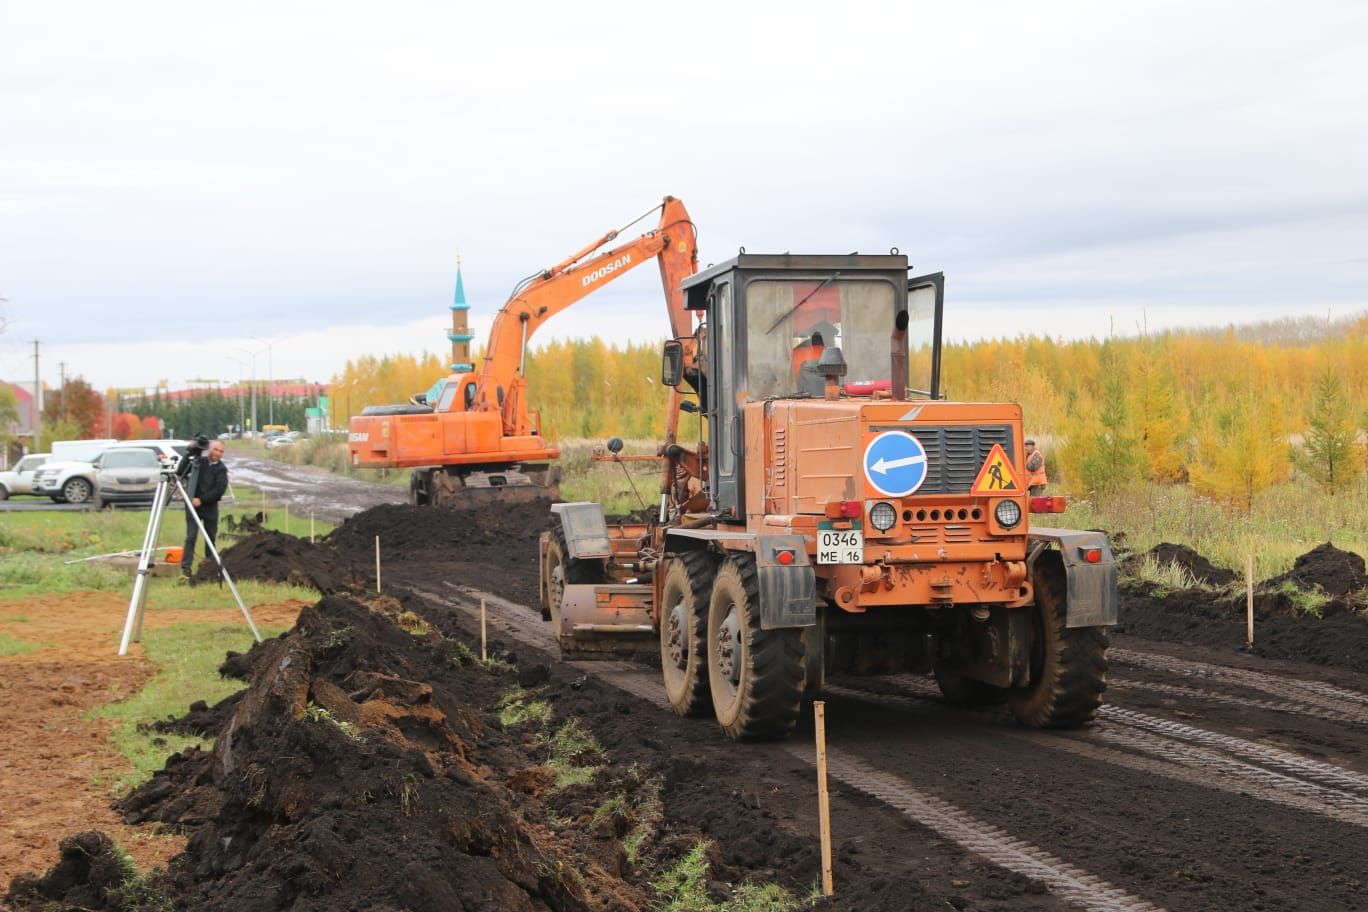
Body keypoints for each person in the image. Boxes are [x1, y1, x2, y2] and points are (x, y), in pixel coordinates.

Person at [182, 439, 228, 579]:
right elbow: (181, 471)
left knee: (210, 538)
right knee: (191, 537)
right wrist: (188, 453)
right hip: (192, 507)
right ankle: (186, 567)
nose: (218, 453)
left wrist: (202, 500)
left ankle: (209, 567)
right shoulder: (198, 463)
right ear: (209, 449)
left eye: (221, 451)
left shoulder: (221, 469)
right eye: (216, 450)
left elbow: (219, 490)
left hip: (209, 507)